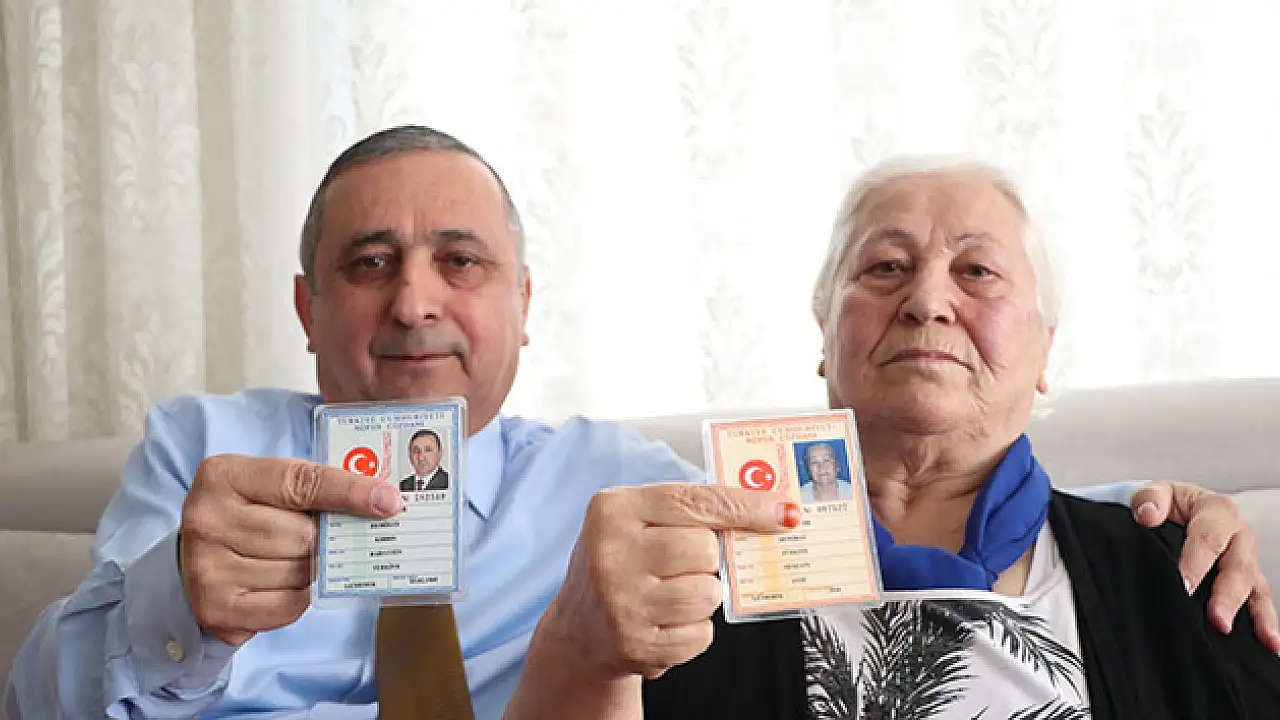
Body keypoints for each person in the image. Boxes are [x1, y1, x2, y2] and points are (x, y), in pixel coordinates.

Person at [4, 128, 1274, 720]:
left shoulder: (623, 483)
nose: (416, 303)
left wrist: (1157, 520)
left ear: (522, 305)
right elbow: (36, 700)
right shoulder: (202, 448)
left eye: (460, 262)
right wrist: (176, 603)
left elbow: (908, 501)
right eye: (369, 263)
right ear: (305, 305)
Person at [519, 157, 1280, 718]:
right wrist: (584, 655)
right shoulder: (685, 582)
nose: (926, 301)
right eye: (886, 266)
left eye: (977, 271)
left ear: (1045, 347)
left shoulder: (1173, 563)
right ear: (825, 333)